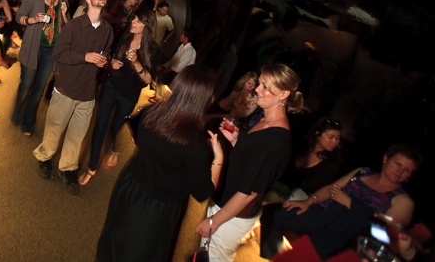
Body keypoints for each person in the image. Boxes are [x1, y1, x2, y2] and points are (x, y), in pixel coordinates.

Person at [95, 65, 223, 262]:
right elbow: (203, 191)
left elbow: (139, 138)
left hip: (129, 186)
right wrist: (218, 159)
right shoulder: (194, 142)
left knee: (114, 242)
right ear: (204, 99)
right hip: (157, 208)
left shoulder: (152, 111)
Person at [197, 62, 302, 262]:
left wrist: (215, 221)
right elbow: (252, 163)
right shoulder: (264, 120)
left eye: (265, 87)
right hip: (227, 205)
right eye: (259, 83)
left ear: (284, 94)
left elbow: (249, 193)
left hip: (232, 216)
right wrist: (237, 140)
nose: (257, 90)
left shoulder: (276, 142)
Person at [261, 143, 421, 260]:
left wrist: (350, 203)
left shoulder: (403, 201)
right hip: (318, 214)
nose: (400, 171)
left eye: (406, 170)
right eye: (398, 164)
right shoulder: (363, 172)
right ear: (386, 159)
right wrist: (309, 201)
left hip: (340, 235)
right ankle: (271, 257)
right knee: (269, 213)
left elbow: (380, 235)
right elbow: (332, 188)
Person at [33, 0, 113, 194]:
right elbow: (59, 53)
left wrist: (105, 61)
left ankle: (67, 168)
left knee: (77, 136)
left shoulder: (108, 30)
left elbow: (108, 52)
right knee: (54, 128)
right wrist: (85, 56)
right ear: (88, 0)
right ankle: (45, 157)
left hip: (88, 93)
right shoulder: (75, 26)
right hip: (66, 88)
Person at [79, 8, 162, 185]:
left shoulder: (153, 49)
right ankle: (91, 168)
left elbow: (148, 79)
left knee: (116, 128)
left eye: (139, 21)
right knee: (100, 126)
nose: (134, 23)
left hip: (129, 95)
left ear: (147, 26)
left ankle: (115, 150)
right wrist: (112, 62)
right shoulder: (125, 37)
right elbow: (111, 57)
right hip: (111, 86)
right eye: (135, 19)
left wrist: (136, 62)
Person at [11, 0, 70, 136]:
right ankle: (17, 112)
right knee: (26, 85)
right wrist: (32, 19)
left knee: (39, 90)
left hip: (51, 51)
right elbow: (19, 17)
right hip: (32, 48)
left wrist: (65, 15)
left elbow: (68, 29)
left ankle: (28, 123)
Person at [272, 116, 343, 201]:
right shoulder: (301, 145)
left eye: (338, 138)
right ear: (318, 134)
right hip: (274, 186)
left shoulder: (332, 164)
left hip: (292, 198)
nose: (335, 142)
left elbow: (307, 187)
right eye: (331, 137)